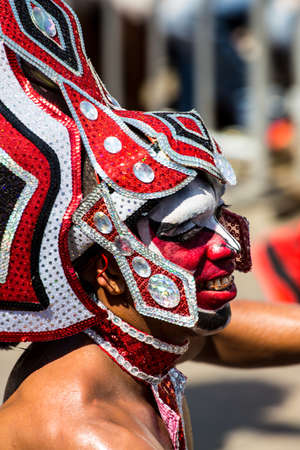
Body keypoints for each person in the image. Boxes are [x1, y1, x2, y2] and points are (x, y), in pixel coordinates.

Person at [0, 1, 300, 449]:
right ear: (104, 268)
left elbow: (216, 339)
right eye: (183, 231)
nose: (224, 247)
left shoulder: (124, 331)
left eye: (217, 217)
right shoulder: (92, 434)